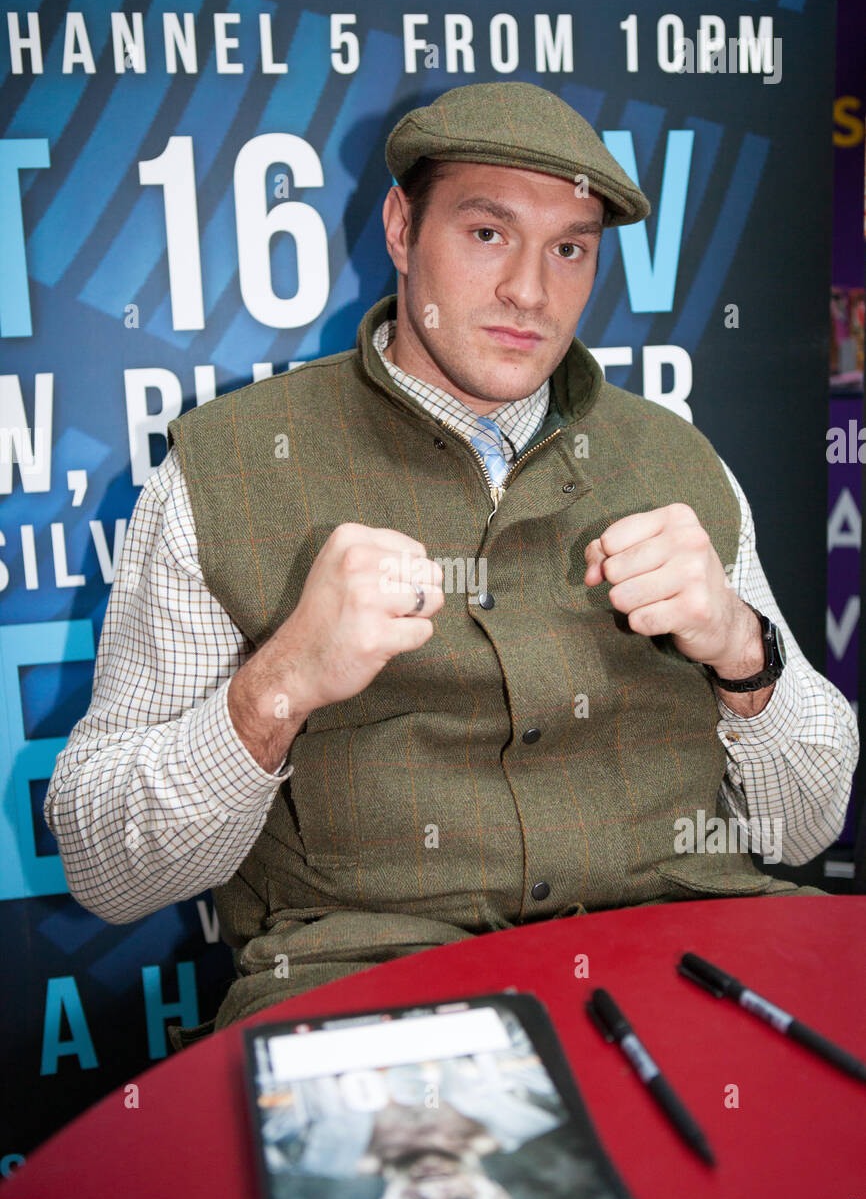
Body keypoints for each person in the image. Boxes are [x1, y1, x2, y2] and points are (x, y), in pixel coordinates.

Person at [44, 82, 858, 1049]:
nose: (529, 290)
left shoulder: (680, 461)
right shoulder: (223, 472)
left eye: (570, 250)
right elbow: (107, 871)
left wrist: (743, 654)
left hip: (688, 959)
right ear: (400, 227)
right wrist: (277, 687)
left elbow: (807, 828)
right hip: (376, 1003)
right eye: (486, 233)